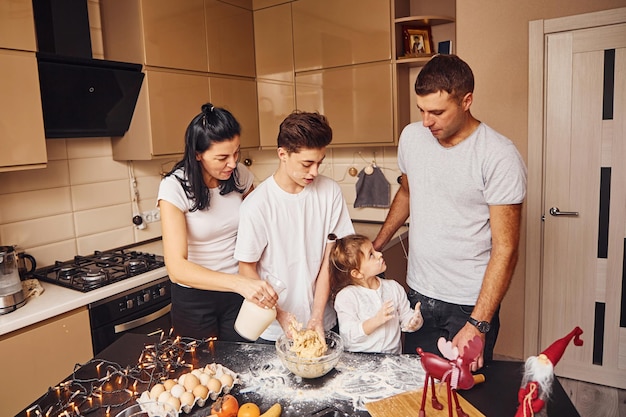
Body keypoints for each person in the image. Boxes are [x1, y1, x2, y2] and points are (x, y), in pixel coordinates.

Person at [372, 54, 527, 369]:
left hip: (468, 304)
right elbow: (407, 192)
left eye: (437, 112)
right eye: (422, 110)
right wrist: (377, 244)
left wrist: (479, 323)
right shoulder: (412, 137)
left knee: (463, 396)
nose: (427, 121)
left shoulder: (498, 155)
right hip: (417, 293)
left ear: (467, 101)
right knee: (416, 388)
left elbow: (506, 247)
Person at [158, 103, 278, 341]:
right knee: (202, 373)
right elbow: (176, 268)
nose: (233, 164)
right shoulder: (174, 187)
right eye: (222, 157)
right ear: (197, 154)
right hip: (195, 300)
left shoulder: (239, 176)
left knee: (243, 368)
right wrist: (238, 283)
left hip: (238, 296)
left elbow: (262, 227)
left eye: (236, 153)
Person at [234, 111, 355, 343]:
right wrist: (280, 315)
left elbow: (330, 261)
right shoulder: (257, 205)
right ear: (283, 154)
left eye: (319, 163)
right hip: (271, 328)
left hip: (323, 321)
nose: (314, 172)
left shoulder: (329, 192)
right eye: (307, 164)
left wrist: (317, 317)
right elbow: (246, 270)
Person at [329, 234, 423, 354]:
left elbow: (405, 316)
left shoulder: (394, 287)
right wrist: (376, 320)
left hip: (392, 359)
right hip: (360, 361)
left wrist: (414, 321)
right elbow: (349, 336)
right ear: (357, 273)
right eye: (371, 255)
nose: (379, 254)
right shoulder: (346, 297)